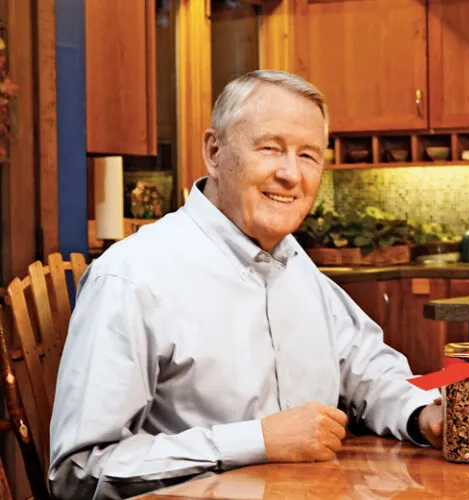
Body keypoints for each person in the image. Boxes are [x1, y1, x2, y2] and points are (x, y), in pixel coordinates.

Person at [48, 70, 442, 499]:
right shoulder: (132, 277)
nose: (291, 174)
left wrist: (425, 414)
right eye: (270, 148)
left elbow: (371, 374)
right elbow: (78, 471)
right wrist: (256, 441)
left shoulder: (296, 266)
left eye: (308, 155)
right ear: (214, 152)